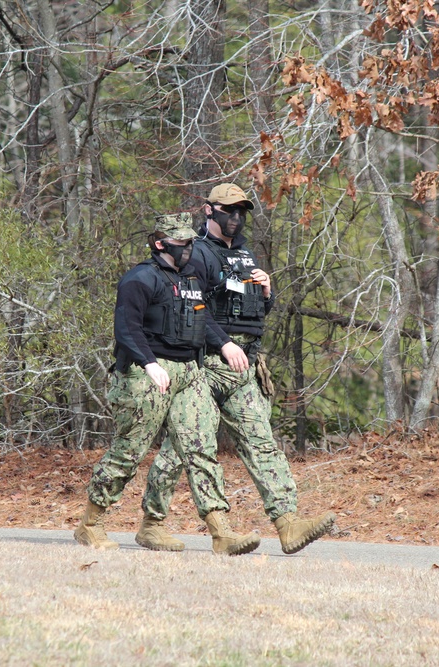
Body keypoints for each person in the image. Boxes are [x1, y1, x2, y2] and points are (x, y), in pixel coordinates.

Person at [138, 184, 336, 554]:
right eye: (229, 210)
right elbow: (195, 309)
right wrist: (223, 344)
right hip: (208, 364)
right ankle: (152, 523)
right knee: (185, 446)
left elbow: (253, 314)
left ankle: (288, 523)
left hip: (244, 363)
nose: (236, 217)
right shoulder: (194, 254)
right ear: (208, 211)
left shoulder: (245, 254)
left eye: (241, 211)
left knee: (261, 442)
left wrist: (266, 293)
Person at [74, 212, 260, 555]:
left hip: (190, 373)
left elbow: (202, 320)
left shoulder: (190, 278)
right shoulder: (139, 280)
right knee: (129, 451)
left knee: (201, 448)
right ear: (161, 244)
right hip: (147, 375)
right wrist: (148, 364)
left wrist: (224, 343)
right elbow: (126, 328)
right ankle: (90, 524)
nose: (188, 249)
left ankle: (220, 533)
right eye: (181, 244)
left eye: (191, 242)